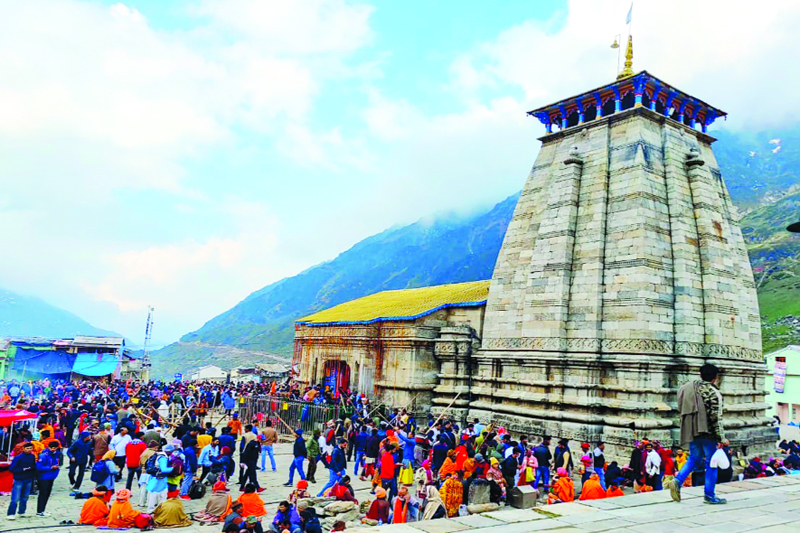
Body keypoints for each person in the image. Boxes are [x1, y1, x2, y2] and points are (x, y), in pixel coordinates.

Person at [667, 363, 728, 505]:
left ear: (700, 375)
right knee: (711, 463)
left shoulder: (690, 388)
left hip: (693, 430)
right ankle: (709, 495)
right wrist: (722, 438)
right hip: (708, 433)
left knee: (694, 459)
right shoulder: (713, 393)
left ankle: (677, 480)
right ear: (715, 378)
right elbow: (716, 417)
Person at [7, 441, 36, 520]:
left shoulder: (32, 457)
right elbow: (12, 468)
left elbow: (34, 467)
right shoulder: (18, 458)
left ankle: (22, 511)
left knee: (25, 497)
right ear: (23, 448)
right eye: (27, 448)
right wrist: (23, 469)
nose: (29, 450)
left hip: (28, 478)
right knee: (15, 498)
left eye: (30, 448)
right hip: (19, 479)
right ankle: (11, 513)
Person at [35, 440, 61, 516]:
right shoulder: (43, 455)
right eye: (52, 448)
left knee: (47, 493)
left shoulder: (57, 454)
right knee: (43, 493)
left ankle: (43, 510)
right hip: (43, 477)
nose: (53, 449)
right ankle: (39, 510)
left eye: (55, 448)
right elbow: (39, 467)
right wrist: (50, 467)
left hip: (51, 476)